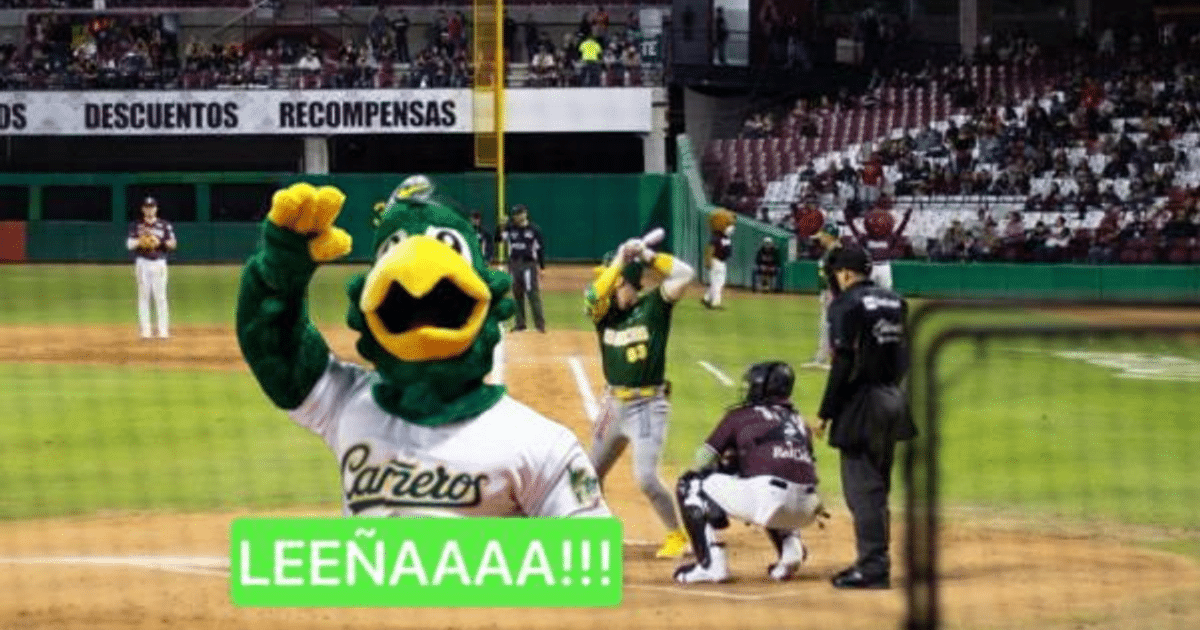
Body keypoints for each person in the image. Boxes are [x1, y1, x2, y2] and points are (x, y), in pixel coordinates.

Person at [585, 233, 696, 559]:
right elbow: (593, 297)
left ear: (630, 284)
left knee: (646, 478)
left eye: (615, 284)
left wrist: (647, 255)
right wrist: (620, 259)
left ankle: (677, 536)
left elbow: (685, 274)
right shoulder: (602, 315)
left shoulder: (655, 305)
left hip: (648, 406)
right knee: (589, 475)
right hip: (613, 405)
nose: (607, 289)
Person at [816, 245, 915, 590]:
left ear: (843, 273)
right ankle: (874, 559)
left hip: (862, 404)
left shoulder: (846, 303)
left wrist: (825, 413)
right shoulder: (896, 301)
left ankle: (873, 567)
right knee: (878, 486)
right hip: (893, 399)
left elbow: (843, 362)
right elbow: (905, 359)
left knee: (863, 490)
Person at [672, 361, 825, 583]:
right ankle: (792, 550)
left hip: (769, 501)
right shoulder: (800, 421)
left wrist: (728, 464)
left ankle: (711, 564)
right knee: (773, 482)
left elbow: (702, 460)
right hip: (808, 506)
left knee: (691, 484)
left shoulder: (741, 415)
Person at [125, 196, 176, 340]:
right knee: (144, 297)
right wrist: (141, 241)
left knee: (161, 298)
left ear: (156, 208)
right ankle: (146, 331)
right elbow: (129, 245)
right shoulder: (136, 226)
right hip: (142, 263)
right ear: (143, 209)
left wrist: (159, 241)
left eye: (152, 207)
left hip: (159, 263)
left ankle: (163, 331)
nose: (150, 209)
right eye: (147, 207)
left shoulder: (165, 225)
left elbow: (173, 244)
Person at [500, 204, 546, 332]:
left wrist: (541, 267)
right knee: (517, 293)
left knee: (532, 293)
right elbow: (498, 239)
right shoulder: (510, 229)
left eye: (518, 214)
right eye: (514, 215)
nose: (516, 217)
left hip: (528, 264)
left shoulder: (534, 230)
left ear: (524, 214)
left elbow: (540, 248)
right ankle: (520, 324)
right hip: (514, 264)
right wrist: (501, 226)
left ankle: (539, 325)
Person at [804, 222, 842, 369]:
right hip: (828, 292)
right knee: (825, 326)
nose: (819, 239)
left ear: (829, 236)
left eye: (822, 236)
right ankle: (821, 357)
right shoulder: (829, 251)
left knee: (833, 326)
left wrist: (835, 294)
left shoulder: (837, 252)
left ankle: (832, 359)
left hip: (833, 293)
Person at [702, 209, 735, 309]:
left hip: (722, 262)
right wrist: (708, 261)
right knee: (718, 283)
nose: (732, 227)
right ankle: (715, 303)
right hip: (716, 261)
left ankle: (707, 298)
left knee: (717, 282)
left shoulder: (725, 237)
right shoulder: (716, 237)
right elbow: (710, 249)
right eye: (729, 224)